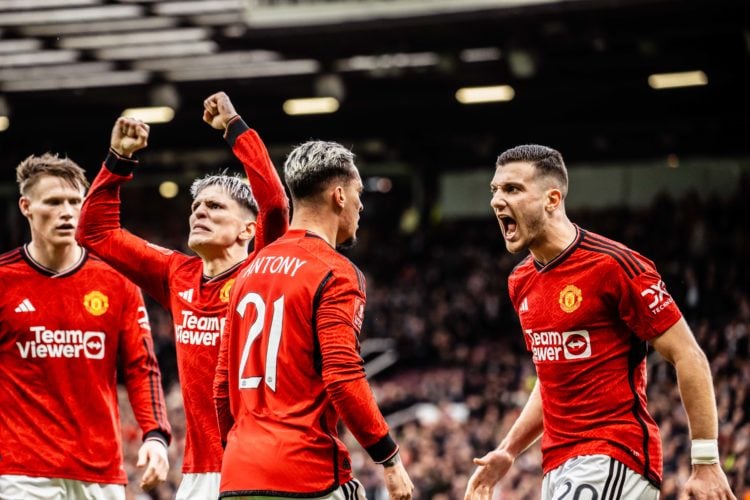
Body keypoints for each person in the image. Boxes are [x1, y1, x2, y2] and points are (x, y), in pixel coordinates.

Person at [464, 145, 736, 500]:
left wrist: (706, 463)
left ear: (552, 199)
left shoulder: (615, 266)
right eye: (494, 190)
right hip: (560, 464)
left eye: (512, 189)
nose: (497, 201)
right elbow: (552, 378)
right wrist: (509, 450)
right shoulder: (520, 281)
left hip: (614, 453)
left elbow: (689, 356)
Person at [76, 92, 289, 499]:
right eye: (196, 207)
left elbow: (275, 204)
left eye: (214, 207)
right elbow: (95, 232)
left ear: (248, 230)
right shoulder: (177, 273)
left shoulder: (262, 268)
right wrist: (118, 161)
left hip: (260, 465)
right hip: (197, 471)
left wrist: (235, 127)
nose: (199, 213)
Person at [214, 140, 414, 499]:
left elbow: (221, 384)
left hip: (238, 476)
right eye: (358, 194)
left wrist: (238, 454)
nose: (361, 205)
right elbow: (343, 377)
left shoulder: (247, 272)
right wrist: (389, 458)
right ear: (339, 195)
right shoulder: (334, 271)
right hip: (305, 475)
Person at [0, 152, 171, 499]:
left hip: (100, 465)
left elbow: (142, 366)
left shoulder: (117, 280)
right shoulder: (3, 280)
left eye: (74, 201)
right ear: (25, 206)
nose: (66, 211)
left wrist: (155, 435)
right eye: (53, 201)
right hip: (22, 469)